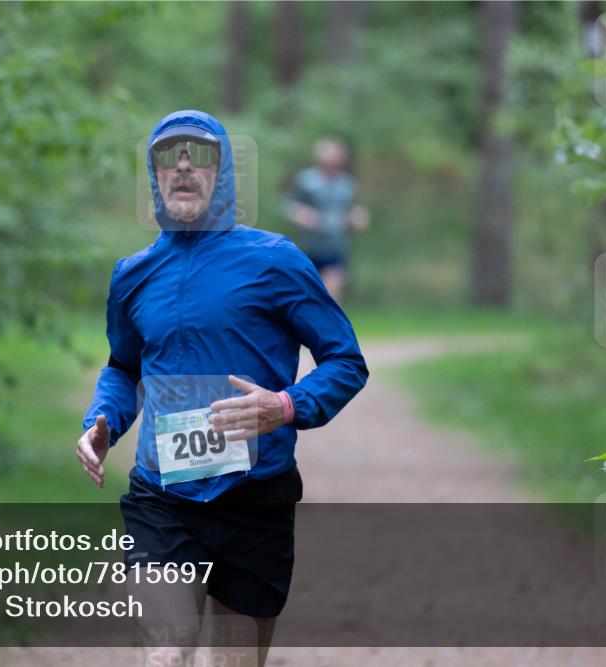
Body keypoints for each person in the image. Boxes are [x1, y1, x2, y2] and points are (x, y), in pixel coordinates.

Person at [75, 110, 368, 666]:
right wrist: (103, 420)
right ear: (154, 174)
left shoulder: (275, 261)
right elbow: (124, 367)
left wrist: (285, 405)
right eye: (169, 156)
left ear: (224, 170)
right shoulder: (133, 274)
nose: (184, 167)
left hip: (255, 497)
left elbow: (345, 361)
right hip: (162, 498)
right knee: (167, 654)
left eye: (200, 154)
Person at [284, 138, 371, 300]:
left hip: (336, 248)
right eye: (328, 157)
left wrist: (357, 218)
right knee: (307, 297)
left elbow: (356, 210)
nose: (332, 161)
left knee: (331, 297)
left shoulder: (347, 184)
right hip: (308, 248)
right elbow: (289, 206)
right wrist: (302, 215)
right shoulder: (305, 180)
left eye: (336, 158)